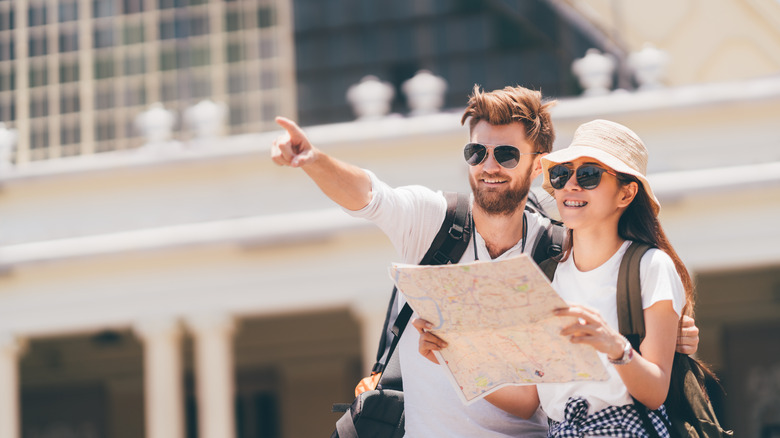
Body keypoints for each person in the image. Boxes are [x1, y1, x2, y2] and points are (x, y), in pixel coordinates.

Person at [271, 86, 699, 437]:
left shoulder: (556, 252)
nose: (488, 166)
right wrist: (314, 160)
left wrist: (664, 339)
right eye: (476, 153)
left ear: (536, 169)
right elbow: (369, 195)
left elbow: (598, 345)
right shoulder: (432, 222)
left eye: (506, 155)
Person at [419, 119, 693, 437]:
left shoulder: (651, 266)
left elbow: (655, 390)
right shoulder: (546, 276)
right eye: (561, 175)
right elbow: (528, 400)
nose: (570, 186)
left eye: (589, 175)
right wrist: (451, 354)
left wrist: (616, 347)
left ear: (626, 193)